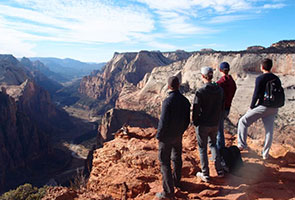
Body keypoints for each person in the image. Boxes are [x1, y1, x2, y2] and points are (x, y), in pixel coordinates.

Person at [237, 58, 281, 160]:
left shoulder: (260, 78)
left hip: (263, 107)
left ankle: (242, 145)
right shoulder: (276, 78)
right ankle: (265, 154)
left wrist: (251, 107)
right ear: (271, 67)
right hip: (274, 108)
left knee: (243, 121)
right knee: (269, 131)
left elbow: (256, 94)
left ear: (262, 67)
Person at [155, 76, 191, 200]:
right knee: (176, 158)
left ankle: (168, 193)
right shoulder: (185, 101)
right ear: (179, 85)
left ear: (169, 86)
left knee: (164, 162)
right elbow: (187, 120)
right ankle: (177, 182)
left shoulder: (167, 101)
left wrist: (159, 136)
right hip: (178, 135)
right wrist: (180, 131)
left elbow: (163, 121)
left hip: (166, 137)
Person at [193, 67, 224, 182]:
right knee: (213, 145)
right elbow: (222, 106)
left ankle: (205, 174)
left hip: (203, 124)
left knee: (202, 148)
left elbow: (196, 108)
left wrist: (195, 122)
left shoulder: (200, 91)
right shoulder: (220, 90)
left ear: (202, 76)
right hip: (215, 122)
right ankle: (219, 170)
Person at [216, 62, 237, 150]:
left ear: (220, 70)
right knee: (220, 128)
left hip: (220, 108)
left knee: (219, 131)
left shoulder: (220, 83)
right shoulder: (232, 82)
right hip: (227, 108)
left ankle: (220, 151)